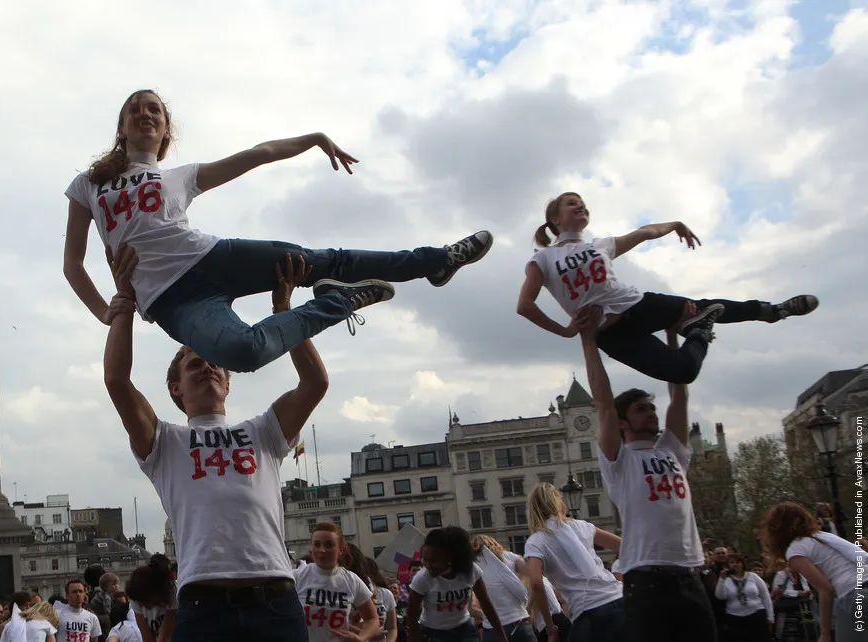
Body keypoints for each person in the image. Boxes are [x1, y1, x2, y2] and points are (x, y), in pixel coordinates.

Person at [64, 89, 493, 374]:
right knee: (244, 353)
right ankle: (338, 300)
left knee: (323, 259)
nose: (144, 113)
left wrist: (312, 138)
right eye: (135, 109)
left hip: (213, 257)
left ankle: (438, 261)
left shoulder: (181, 176)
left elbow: (257, 154)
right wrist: (107, 311)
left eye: (153, 108)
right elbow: (73, 265)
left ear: (164, 131)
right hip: (170, 300)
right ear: (121, 127)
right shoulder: (89, 183)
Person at [103, 246, 328, 642]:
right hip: (202, 607)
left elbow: (315, 384)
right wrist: (124, 303)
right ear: (176, 388)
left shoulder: (264, 431)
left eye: (214, 362)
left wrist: (285, 313)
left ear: (228, 380)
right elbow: (117, 382)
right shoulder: (164, 442)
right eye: (194, 363)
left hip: (275, 600)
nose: (206, 365)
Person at [516, 192, 818, 384]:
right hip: (611, 334)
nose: (580, 205)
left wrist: (675, 224)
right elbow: (525, 305)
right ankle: (698, 330)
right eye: (572, 203)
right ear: (556, 219)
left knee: (701, 304)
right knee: (683, 373)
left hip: (636, 305)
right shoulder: (543, 258)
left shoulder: (601, 245)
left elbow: (645, 232)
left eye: (582, 203)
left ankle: (773, 310)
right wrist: (566, 331)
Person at [580, 304, 717, 642]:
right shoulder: (620, 459)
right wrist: (588, 341)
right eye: (642, 409)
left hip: (690, 576)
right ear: (623, 422)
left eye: (652, 408)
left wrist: (672, 330)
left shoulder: (672, 450)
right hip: (646, 580)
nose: (652, 414)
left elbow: (679, 392)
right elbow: (603, 402)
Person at [523, 484, 622, 642]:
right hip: (619, 600)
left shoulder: (536, 542)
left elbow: (536, 583)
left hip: (588, 611)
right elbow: (623, 546)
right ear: (558, 503)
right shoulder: (582, 526)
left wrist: (550, 628)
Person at [761, 502, 863, 642]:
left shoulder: (795, 551)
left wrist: (825, 633)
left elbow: (825, 589)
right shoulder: (824, 536)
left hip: (853, 594)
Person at [406, 527, 508, 642]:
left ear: (449, 558)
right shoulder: (422, 579)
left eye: (434, 561)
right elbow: (411, 615)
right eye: (425, 560)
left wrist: (501, 635)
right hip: (433, 633)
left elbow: (486, 603)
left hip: (464, 630)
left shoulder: (470, 570)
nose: (428, 565)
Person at [293, 523, 379, 642]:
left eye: (329, 545)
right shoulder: (297, 577)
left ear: (340, 550)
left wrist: (361, 638)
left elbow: (372, 618)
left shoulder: (351, 580)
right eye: (317, 544)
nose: (322, 550)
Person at [469, 534, 550, 642]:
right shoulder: (508, 557)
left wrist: (487, 616)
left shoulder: (472, 567)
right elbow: (536, 575)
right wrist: (528, 607)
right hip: (521, 622)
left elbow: (469, 608)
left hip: (493, 629)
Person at [714, 554, 773, 642]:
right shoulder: (726, 579)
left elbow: (765, 596)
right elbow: (720, 596)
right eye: (732, 562)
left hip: (756, 614)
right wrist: (721, 579)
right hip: (735, 617)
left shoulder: (753, 576)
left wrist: (770, 617)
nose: (735, 565)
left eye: (738, 562)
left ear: (742, 564)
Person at [125, 556, 176, 642]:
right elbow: (146, 636)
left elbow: (165, 637)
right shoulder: (136, 598)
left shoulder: (172, 593)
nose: (140, 605)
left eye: (143, 602)